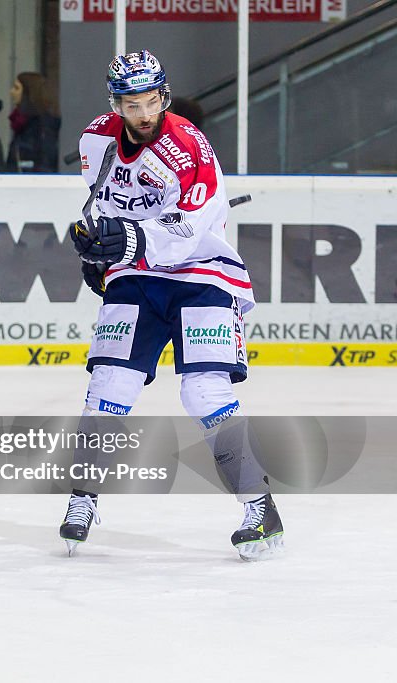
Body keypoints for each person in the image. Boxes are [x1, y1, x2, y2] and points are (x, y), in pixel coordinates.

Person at [61, 50, 283, 561]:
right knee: (109, 384)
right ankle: (83, 497)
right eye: (130, 103)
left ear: (165, 94)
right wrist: (99, 249)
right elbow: (105, 203)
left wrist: (129, 241)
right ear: (114, 103)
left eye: (151, 100)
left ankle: (260, 506)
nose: (142, 114)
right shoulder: (95, 139)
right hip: (138, 277)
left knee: (204, 392)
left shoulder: (187, 147)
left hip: (202, 273)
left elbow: (189, 228)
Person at [6, 72, 60, 173]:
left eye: (16, 88)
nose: (11, 92)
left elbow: (46, 161)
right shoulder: (20, 123)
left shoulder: (42, 125)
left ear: (28, 92)